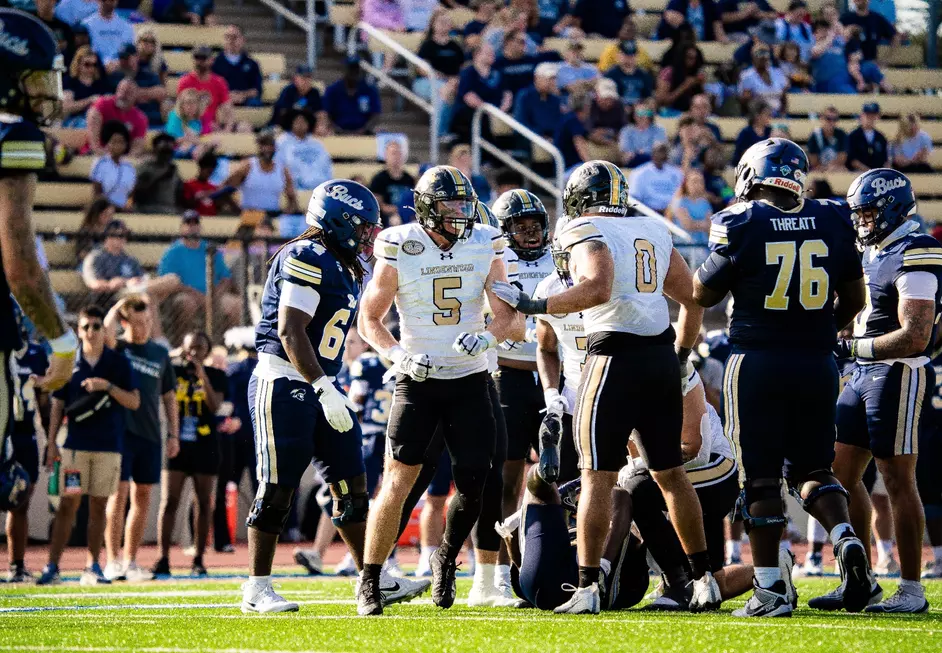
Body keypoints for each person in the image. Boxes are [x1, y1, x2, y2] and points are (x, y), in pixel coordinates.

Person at [491, 160, 719, 614]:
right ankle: (704, 580)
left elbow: (597, 287)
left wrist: (538, 302)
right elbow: (693, 296)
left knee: (598, 476)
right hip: (658, 358)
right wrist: (680, 353)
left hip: (612, 356)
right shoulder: (650, 227)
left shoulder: (580, 228)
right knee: (670, 475)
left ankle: (588, 587)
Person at [692, 138, 871, 617]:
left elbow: (702, 293)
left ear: (752, 175)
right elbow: (854, 300)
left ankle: (771, 589)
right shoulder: (833, 217)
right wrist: (815, 329)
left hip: (757, 361)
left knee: (761, 478)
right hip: (816, 362)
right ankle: (846, 539)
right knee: (815, 469)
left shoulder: (740, 221)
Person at [244, 179, 428, 613]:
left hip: (324, 383)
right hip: (285, 380)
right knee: (277, 486)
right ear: (337, 220)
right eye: (363, 228)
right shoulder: (306, 254)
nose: (368, 236)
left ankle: (374, 576)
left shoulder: (344, 264)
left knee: (352, 483)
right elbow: (291, 330)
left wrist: (330, 386)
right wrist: (323, 386)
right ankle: (256, 587)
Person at [356, 166, 521, 615]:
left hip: (470, 378)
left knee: (475, 480)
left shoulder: (485, 240)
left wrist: (489, 337)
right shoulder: (399, 243)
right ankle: (369, 579)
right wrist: (397, 356)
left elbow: (509, 316)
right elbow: (369, 319)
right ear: (427, 208)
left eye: (465, 204)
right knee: (398, 479)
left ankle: (445, 556)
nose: (462, 213)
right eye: (451, 205)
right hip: (419, 379)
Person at [826, 169, 937, 614]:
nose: (863, 221)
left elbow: (916, 335)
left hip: (897, 371)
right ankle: (862, 580)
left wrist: (854, 344)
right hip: (860, 371)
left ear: (892, 206)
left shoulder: (918, 248)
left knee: (896, 478)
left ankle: (910, 589)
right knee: (838, 475)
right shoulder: (872, 250)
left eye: (869, 212)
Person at [0, 10, 78, 437]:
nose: (47, 91)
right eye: (36, 77)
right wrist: (62, 342)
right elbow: (20, 267)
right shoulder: (14, 134)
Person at [38, 305, 140, 586]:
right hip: (75, 447)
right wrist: (51, 444)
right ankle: (52, 566)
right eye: (86, 327)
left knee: (99, 507)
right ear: (78, 330)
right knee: (68, 505)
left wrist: (107, 387)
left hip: (109, 447)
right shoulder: (69, 363)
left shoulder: (118, 363)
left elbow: (134, 401)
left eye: (97, 326)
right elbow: (57, 404)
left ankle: (93, 565)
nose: (92, 332)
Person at [490, 188, 556, 580]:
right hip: (510, 373)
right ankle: (501, 567)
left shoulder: (561, 257)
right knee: (508, 477)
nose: (530, 234)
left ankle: (560, 554)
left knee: (565, 473)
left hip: (555, 376)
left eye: (535, 226)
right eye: (520, 226)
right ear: (505, 229)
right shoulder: (494, 260)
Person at [102, 295, 179, 581]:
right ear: (125, 322)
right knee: (118, 495)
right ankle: (112, 561)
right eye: (138, 321)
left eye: (148, 321)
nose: (145, 327)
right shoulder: (117, 348)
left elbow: (169, 397)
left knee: (143, 496)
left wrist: (173, 433)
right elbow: (106, 331)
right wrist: (120, 302)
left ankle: (130, 560)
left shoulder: (159, 353)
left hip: (150, 434)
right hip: (120, 433)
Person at [148, 331, 224, 578]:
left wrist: (202, 375)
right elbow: (158, 365)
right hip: (177, 444)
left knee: (203, 502)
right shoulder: (174, 371)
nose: (195, 353)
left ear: (208, 351)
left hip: (205, 446)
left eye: (200, 348)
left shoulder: (217, 375)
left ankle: (199, 559)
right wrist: (175, 355)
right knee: (169, 501)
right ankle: (163, 558)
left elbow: (215, 406)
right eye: (190, 348)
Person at [5, 319, 49, 582]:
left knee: (20, 501)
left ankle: (16, 565)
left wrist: (50, 441)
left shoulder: (36, 354)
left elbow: (43, 401)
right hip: (3, 434)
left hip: (25, 436)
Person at [156, 211, 240, 343]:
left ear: (200, 227)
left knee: (235, 304)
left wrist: (214, 295)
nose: (192, 227)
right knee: (186, 303)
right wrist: (197, 295)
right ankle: (185, 345)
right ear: (182, 227)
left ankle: (231, 346)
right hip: (187, 294)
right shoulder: (172, 252)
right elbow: (169, 282)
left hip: (214, 295)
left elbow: (225, 278)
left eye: (195, 223)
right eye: (188, 223)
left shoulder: (210, 248)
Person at [224, 131, 300, 215]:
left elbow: (292, 200)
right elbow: (224, 190)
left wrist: (285, 215)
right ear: (258, 147)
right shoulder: (247, 166)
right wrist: (237, 210)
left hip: (272, 215)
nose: (267, 149)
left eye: (270, 145)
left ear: (275, 147)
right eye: (263, 145)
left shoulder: (282, 170)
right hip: (249, 213)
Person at [451, 44, 510, 144]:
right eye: (488, 53)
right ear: (477, 55)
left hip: (496, 110)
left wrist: (502, 109)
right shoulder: (468, 73)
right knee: (480, 120)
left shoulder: (498, 72)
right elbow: (469, 97)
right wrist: (489, 111)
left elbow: (507, 93)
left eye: (492, 53)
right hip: (472, 112)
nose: (492, 55)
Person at [80, 219, 144, 301]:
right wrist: (114, 284)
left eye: (125, 236)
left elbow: (141, 281)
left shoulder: (131, 260)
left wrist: (124, 283)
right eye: (119, 236)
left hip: (130, 299)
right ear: (107, 237)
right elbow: (94, 284)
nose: (123, 239)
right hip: (104, 300)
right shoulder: (95, 257)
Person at [177, 46, 237, 133]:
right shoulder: (185, 81)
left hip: (212, 124)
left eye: (203, 58)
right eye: (197, 58)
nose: (200, 61)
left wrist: (227, 130)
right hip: (191, 124)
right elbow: (181, 110)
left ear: (211, 60)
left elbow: (228, 109)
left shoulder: (219, 82)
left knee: (244, 127)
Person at [86, 78, 148, 156]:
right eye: (121, 91)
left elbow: (137, 146)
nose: (123, 95)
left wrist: (125, 161)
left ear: (136, 96)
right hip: (95, 155)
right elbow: (94, 144)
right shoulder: (102, 104)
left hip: (123, 158)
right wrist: (106, 156)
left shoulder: (140, 118)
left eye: (128, 93)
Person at [275, 109, 333, 192]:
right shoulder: (282, 142)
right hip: (294, 188)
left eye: (304, 122)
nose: (301, 125)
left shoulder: (317, 144)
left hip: (319, 188)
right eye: (297, 122)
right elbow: (279, 165)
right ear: (291, 123)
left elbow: (326, 166)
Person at [323, 58, 382, 135]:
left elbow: (375, 114)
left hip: (364, 133)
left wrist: (364, 130)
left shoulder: (369, 90)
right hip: (338, 133)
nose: (353, 73)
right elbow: (326, 114)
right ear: (344, 71)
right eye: (350, 69)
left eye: (356, 69)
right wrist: (337, 129)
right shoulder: (333, 90)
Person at [211, 26, 262, 107]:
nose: (231, 40)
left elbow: (257, 89)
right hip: (221, 101)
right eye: (227, 37)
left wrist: (242, 95)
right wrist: (227, 96)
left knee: (255, 103)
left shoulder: (252, 64)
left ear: (243, 40)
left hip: (245, 101)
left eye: (234, 37)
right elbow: (209, 86)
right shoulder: (214, 63)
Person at [269, 65, 328, 135]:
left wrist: (321, 125)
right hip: (283, 126)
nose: (306, 81)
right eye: (303, 78)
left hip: (306, 127)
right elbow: (283, 113)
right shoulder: (288, 91)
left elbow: (320, 113)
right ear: (296, 79)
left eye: (309, 77)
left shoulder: (314, 93)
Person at [369, 140, 416, 226]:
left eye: (399, 153)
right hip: (386, 218)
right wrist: (397, 210)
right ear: (386, 156)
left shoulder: (409, 179)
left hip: (407, 215)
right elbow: (378, 205)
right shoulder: (379, 179)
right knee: (395, 221)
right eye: (393, 153)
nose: (396, 157)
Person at [133, 132, 184, 213]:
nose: (166, 156)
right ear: (155, 149)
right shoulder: (145, 168)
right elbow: (138, 194)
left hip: (170, 209)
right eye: (163, 152)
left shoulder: (174, 169)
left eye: (169, 152)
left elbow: (178, 194)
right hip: (148, 209)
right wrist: (161, 177)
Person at [90, 120, 135, 208]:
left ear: (126, 145)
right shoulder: (100, 163)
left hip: (124, 210)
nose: (118, 146)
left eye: (121, 142)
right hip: (103, 209)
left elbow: (131, 194)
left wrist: (127, 207)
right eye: (114, 142)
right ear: (107, 144)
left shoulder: (129, 167)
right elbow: (97, 194)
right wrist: (111, 207)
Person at [627, 143, 684, 213]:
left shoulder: (676, 173)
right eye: (659, 152)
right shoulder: (639, 173)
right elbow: (634, 198)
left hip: (672, 213)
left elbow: (682, 195)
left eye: (664, 152)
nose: (661, 156)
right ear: (652, 154)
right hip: (648, 213)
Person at [513, 62, 562, 140]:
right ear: (537, 78)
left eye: (554, 79)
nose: (552, 82)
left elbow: (557, 124)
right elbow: (521, 123)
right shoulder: (525, 96)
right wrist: (541, 137)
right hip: (531, 140)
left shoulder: (555, 99)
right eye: (549, 79)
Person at [62, 46, 109, 127]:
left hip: (96, 119)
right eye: (87, 64)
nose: (91, 68)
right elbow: (67, 107)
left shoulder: (100, 83)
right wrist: (89, 100)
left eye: (94, 65)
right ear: (78, 64)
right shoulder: (70, 82)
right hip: (75, 120)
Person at [82, 0, 134, 73]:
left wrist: (117, 62)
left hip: (120, 68)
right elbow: (85, 50)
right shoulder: (87, 24)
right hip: (94, 67)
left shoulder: (126, 25)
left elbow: (129, 49)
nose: (108, 2)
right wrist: (103, 63)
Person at [737, 42, 789, 116]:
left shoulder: (777, 72)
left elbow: (783, 97)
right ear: (753, 57)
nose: (763, 58)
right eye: (759, 54)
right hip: (758, 113)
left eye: (765, 54)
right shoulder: (747, 75)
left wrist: (783, 113)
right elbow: (744, 101)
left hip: (777, 112)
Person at [840, 0, 897, 64]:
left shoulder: (877, 19)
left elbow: (895, 36)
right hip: (849, 64)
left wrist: (886, 60)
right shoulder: (846, 19)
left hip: (870, 63)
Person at [655, 44, 706, 115]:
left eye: (695, 58)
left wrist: (701, 84)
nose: (693, 62)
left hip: (692, 112)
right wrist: (684, 86)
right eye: (689, 58)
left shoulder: (696, 73)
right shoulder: (669, 72)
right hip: (670, 111)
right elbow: (661, 101)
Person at [670, 168, 713, 248]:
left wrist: (697, 224)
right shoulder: (680, 202)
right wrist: (703, 224)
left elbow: (710, 226)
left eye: (700, 182)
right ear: (686, 184)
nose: (697, 185)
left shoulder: (705, 203)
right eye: (694, 181)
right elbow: (688, 225)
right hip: (685, 246)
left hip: (703, 246)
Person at [618, 102, 667, 168]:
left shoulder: (659, 130)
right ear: (634, 115)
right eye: (639, 113)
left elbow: (659, 148)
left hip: (652, 159)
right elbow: (625, 149)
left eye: (646, 113)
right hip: (633, 160)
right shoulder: (626, 130)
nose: (642, 116)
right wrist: (634, 153)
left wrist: (642, 152)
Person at [604, 40, 654, 106]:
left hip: (639, 110)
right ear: (618, 55)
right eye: (625, 56)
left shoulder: (644, 74)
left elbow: (648, 97)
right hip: (618, 109)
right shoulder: (610, 75)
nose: (629, 59)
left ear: (637, 57)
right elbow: (607, 99)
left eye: (632, 56)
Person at [166, 88, 210, 160]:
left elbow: (205, 136)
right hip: (176, 150)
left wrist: (195, 141)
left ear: (198, 105)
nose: (190, 106)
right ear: (181, 105)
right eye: (187, 103)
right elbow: (171, 140)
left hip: (195, 148)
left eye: (194, 103)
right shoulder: (175, 116)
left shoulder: (200, 119)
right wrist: (192, 140)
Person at [658, 0, 727, 43]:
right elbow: (669, 17)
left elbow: (718, 30)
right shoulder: (676, 2)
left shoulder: (710, 4)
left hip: (703, 43)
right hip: (681, 42)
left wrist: (723, 39)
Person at [554, 93, 590, 173]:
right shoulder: (572, 120)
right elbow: (579, 144)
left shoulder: (569, 117)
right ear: (586, 107)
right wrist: (591, 165)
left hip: (572, 167)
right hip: (567, 170)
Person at [847, 102, 889, 172]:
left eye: (873, 115)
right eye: (868, 115)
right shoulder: (853, 136)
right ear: (862, 116)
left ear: (877, 117)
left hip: (877, 176)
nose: (870, 118)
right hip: (857, 174)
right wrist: (868, 171)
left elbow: (885, 160)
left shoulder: (881, 138)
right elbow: (852, 160)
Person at [732, 100, 773, 166]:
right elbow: (744, 155)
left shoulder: (770, 131)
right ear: (757, 116)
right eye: (767, 115)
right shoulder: (746, 133)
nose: (770, 117)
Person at [808, 106, 849, 172]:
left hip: (835, 167)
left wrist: (831, 167)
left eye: (835, 119)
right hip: (819, 168)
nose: (831, 122)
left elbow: (842, 158)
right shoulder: (814, 136)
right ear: (822, 118)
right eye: (828, 118)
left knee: (843, 170)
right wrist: (825, 168)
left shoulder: (841, 134)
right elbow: (813, 162)